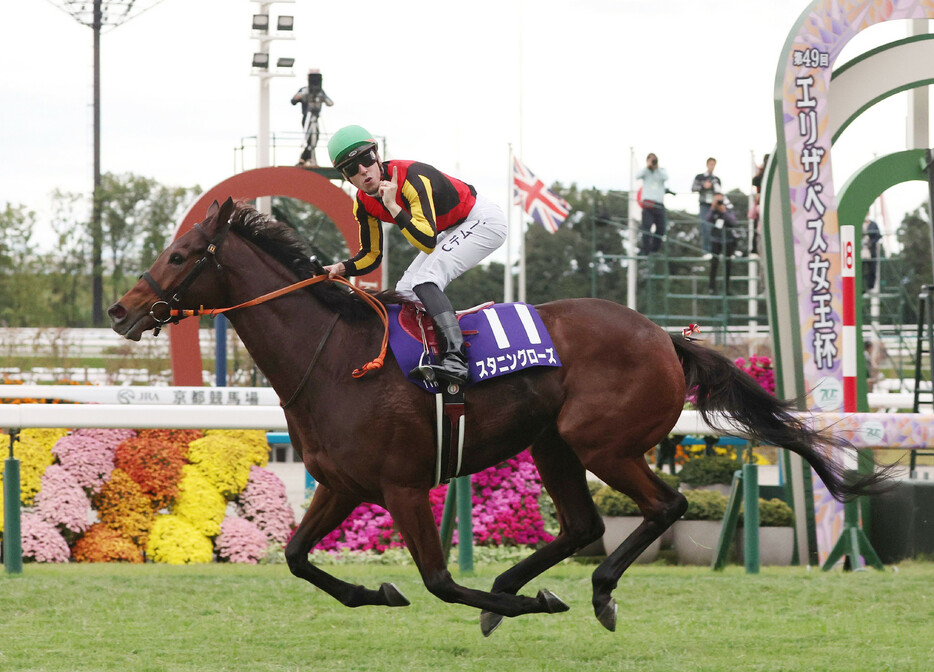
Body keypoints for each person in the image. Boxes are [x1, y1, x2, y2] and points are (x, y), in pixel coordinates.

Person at [324, 125, 507, 386]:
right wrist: (339, 268)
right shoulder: (363, 203)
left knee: (426, 280)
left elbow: (427, 241)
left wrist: (393, 206)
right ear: (346, 177)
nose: (363, 170)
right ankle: (425, 354)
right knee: (405, 290)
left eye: (365, 159)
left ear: (377, 156)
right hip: (455, 226)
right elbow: (371, 255)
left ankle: (455, 358)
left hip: (484, 220)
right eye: (352, 168)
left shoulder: (411, 177)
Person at [291, 70, 334, 167]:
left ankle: (304, 159)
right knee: (310, 139)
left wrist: (322, 97)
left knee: (314, 138)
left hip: (316, 117)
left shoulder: (320, 92)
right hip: (307, 117)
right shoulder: (304, 90)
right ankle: (305, 158)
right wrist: (301, 95)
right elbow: (293, 101)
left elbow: (330, 103)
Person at [635, 153, 669, 255]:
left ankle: (654, 249)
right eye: (651, 160)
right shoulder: (645, 172)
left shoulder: (661, 171)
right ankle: (645, 249)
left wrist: (656, 168)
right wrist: (648, 167)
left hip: (659, 204)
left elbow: (666, 177)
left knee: (661, 228)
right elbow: (637, 176)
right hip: (648, 204)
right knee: (646, 227)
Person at [706, 194, 738, 294]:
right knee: (714, 264)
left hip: (728, 240)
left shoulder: (727, 209)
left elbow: (733, 222)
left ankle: (726, 289)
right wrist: (713, 207)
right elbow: (707, 219)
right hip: (716, 240)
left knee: (727, 265)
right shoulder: (713, 210)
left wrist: (723, 211)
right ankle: (711, 288)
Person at [691, 157, 721, 258]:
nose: (712, 166)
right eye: (710, 164)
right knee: (705, 227)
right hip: (704, 205)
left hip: (714, 206)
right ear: (707, 164)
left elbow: (719, 192)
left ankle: (715, 251)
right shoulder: (700, 177)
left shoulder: (716, 179)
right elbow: (693, 188)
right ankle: (706, 251)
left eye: (714, 164)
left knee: (715, 228)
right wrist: (704, 186)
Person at [862, 218, 883, 292]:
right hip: (860, 250)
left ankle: (870, 287)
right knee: (860, 269)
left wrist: (871, 242)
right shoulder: (858, 223)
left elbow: (878, 235)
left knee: (872, 269)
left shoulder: (873, 224)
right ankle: (861, 287)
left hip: (870, 250)